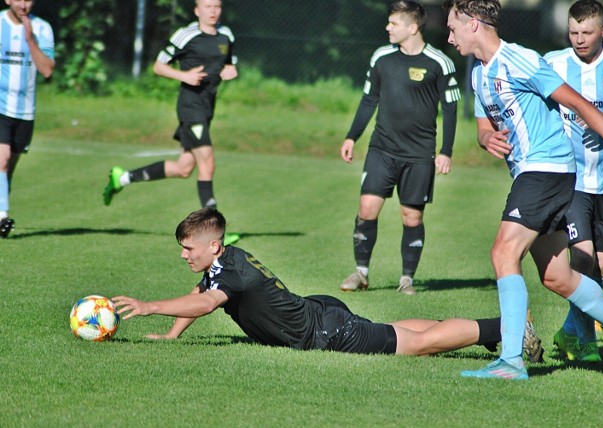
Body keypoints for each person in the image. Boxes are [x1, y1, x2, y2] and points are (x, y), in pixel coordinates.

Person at [443, 0, 603, 381]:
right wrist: (486, 138)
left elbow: (579, 103)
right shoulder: (479, 73)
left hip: (546, 168)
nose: (449, 36)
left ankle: (512, 361)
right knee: (557, 277)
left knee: (503, 251)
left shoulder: (521, 59)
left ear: (473, 25)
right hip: (532, 173)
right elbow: (485, 124)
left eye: (452, 28)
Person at [113, 207, 545, 362]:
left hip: (325, 331)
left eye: (189, 248)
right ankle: (501, 323)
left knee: (415, 345)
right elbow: (198, 294)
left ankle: (505, 329)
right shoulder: (225, 260)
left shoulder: (233, 271)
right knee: (404, 332)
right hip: (318, 311)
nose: (184, 255)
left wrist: (150, 307)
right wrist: (171, 335)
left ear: (213, 245)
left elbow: (206, 304)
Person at [339, 1, 460, 295]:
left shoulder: (439, 63)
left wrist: (445, 151)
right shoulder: (382, 57)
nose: (387, 28)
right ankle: (361, 273)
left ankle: (407, 278)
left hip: (419, 155)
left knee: (412, 217)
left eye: (394, 23)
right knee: (367, 208)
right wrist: (351, 136)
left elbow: (451, 109)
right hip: (382, 148)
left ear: (413, 27)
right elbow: (369, 100)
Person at [544, 0, 603, 364]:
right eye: (573, 33)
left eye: (586, 33)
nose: (579, 40)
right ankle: (585, 340)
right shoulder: (553, 63)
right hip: (569, 179)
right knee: (583, 260)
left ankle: (569, 330)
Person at [102, 0, 237, 213]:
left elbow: (228, 62)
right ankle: (215, 232)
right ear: (197, 10)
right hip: (190, 107)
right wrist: (184, 75)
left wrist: (230, 70)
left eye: (217, 6)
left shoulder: (226, 35)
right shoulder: (186, 35)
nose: (213, 11)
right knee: (208, 164)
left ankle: (123, 178)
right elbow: (158, 66)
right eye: (208, 6)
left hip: (207, 108)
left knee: (183, 168)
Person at [0, 0, 55, 238]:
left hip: (25, 112)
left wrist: (30, 39)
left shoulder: (42, 28)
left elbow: (47, 70)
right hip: (0, 107)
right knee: (0, 162)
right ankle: (2, 216)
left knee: (6, 170)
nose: (24, 4)